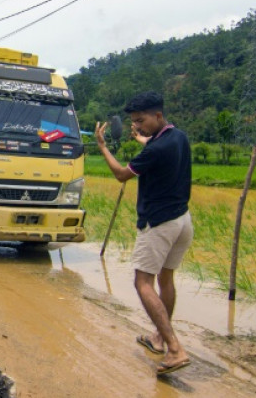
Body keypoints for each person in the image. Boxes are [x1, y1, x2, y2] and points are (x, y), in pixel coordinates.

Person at [94, 91, 193, 376]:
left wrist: (102, 147)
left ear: (158, 116)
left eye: (141, 121)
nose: (137, 126)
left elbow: (122, 174)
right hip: (182, 221)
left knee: (143, 283)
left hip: (158, 223)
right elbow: (156, 144)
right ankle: (159, 338)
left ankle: (175, 348)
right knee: (166, 278)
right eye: (134, 122)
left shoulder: (154, 150)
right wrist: (143, 139)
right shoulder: (178, 137)